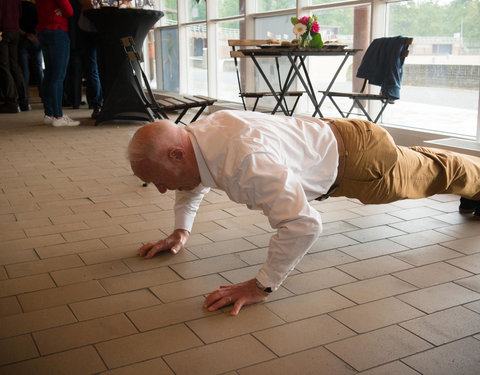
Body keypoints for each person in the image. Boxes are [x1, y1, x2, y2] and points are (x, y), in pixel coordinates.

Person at [127, 110, 480, 315]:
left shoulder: (246, 163)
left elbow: (303, 224)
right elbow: (191, 182)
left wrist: (260, 285)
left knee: (436, 173)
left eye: (158, 180)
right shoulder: (196, 136)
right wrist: (180, 231)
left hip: (359, 163)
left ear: (176, 154)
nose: (160, 188)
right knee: (424, 163)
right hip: (336, 136)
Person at [36, 0, 80, 127]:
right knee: (58, 76)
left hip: (43, 30)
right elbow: (69, 10)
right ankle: (58, 116)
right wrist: (63, 10)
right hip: (57, 29)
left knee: (49, 74)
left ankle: (49, 114)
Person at [0, 0, 30, 113]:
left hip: (3, 31)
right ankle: (24, 101)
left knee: (4, 66)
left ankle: (11, 101)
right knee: (15, 66)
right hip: (14, 30)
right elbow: (20, 13)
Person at [18, 0, 43, 103]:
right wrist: (36, 35)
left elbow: (16, 23)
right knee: (38, 68)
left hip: (22, 38)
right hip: (35, 38)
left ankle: (25, 97)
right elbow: (40, 20)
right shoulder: (35, 6)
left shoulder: (18, 7)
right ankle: (43, 94)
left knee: (24, 70)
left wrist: (25, 34)